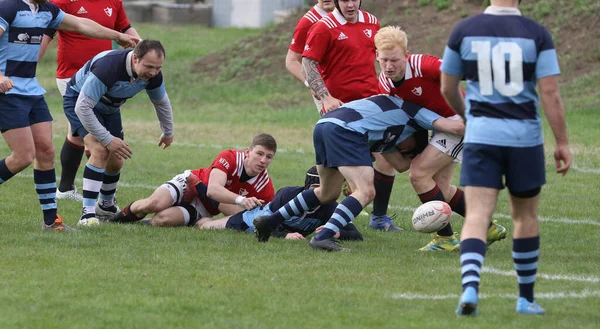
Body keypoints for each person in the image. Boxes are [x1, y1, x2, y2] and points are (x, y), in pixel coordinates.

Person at [440, 0, 571, 316]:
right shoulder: (537, 33)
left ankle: (470, 287)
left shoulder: (464, 30)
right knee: (524, 217)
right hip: (523, 139)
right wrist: (562, 142)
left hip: (482, 136)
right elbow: (550, 93)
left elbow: (447, 87)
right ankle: (526, 299)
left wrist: (467, 115)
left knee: (476, 215)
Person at [254, 94, 464, 251]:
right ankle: (323, 238)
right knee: (366, 191)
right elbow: (452, 127)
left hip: (325, 126)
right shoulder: (415, 113)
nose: (405, 150)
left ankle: (269, 222)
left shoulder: (389, 129)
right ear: (417, 135)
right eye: (407, 148)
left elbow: (401, 166)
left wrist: (416, 159)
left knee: (327, 193)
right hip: (346, 130)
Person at [0, 0, 138, 231]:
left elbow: (83, 24)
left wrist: (119, 36)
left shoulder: (47, 10)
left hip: (31, 90)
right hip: (7, 91)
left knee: (46, 151)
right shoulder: (8, 7)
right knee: (23, 156)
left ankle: (51, 221)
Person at [375, 25, 508, 251]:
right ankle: (487, 227)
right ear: (377, 56)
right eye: (384, 60)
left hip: (463, 122)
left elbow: (465, 74)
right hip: (441, 127)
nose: (388, 66)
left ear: (406, 56)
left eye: (395, 60)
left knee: (418, 175)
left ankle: (445, 239)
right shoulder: (385, 84)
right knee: (440, 187)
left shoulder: (422, 64)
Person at [302, 0, 400, 232]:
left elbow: (383, 57)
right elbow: (308, 63)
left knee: (386, 160)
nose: (350, 3)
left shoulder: (372, 22)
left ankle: (379, 217)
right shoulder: (323, 27)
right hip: (342, 112)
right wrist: (325, 97)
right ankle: (323, 217)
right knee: (336, 176)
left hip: (371, 106)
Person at [37, 0, 140, 202]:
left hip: (104, 79)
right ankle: (101, 196)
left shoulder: (114, 1)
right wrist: (25, 67)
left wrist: (141, 46)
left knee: (77, 134)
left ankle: (67, 189)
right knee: (94, 136)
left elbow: (125, 27)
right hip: (71, 77)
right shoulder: (63, 2)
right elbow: (46, 34)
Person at [63, 39, 173, 226]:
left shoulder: (153, 74)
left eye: (158, 68)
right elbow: (83, 107)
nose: (153, 72)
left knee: (116, 159)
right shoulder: (109, 67)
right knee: (100, 150)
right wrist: (106, 139)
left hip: (109, 108)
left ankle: (105, 206)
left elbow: (161, 102)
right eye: (149, 66)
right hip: (79, 104)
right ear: (135, 58)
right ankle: (87, 215)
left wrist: (168, 131)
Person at [109, 134, 277, 227]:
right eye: (259, 154)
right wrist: (241, 200)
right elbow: (213, 189)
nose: (263, 160)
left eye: (269, 157)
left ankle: (140, 224)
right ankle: (112, 221)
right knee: (154, 204)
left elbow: (264, 216)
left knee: (163, 219)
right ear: (248, 152)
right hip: (189, 183)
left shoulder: (265, 187)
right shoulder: (231, 158)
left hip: (203, 207)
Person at [195, 166, 364, 241]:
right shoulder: (287, 195)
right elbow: (262, 225)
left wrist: (336, 233)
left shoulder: (330, 206)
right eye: (315, 189)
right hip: (250, 221)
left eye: (326, 189)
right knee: (206, 227)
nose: (321, 194)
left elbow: (356, 235)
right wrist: (285, 236)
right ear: (306, 187)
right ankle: (198, 210)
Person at [285, 0, 334, 110]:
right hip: (327, 90)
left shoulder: (349, 15)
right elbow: (291, 61)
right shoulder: (307, 22)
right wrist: (311, 84)